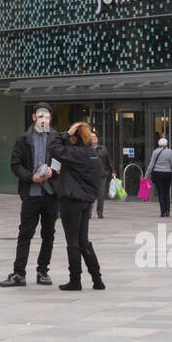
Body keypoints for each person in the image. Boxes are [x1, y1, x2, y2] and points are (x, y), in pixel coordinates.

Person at [0, 104, 60, 287]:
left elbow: (63, 161)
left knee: (48, 234)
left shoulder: (56, 138)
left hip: (50, 193)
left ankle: (43, 271)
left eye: (47, 117)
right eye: (40, 116)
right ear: (34, 117)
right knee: (25, 234)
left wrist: (53, 171)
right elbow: (15, 164)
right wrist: (31, 177)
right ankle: (19, 273)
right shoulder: (23, 139)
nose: (43, 120)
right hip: (31, 194)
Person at [53, 122, 105, 291]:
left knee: (73, 241)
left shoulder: (75, 153)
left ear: (74, 137)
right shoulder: (93, 154)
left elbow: (53, 147)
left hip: (72, 200)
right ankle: (97, 279)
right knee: (84, 240)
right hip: (86, 201)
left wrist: (65, 134)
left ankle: (75, 280)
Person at [146, 137, 172, 217]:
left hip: (158, 174)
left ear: (159, 144)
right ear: (166, 144)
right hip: (167, 174)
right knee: (167, 192)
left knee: (161, 192)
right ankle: (168, 211)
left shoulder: (155, 152)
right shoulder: (170, 152)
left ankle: (162, 211)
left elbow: (151, 165)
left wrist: (146, 175)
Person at [90, 132, 112, 218]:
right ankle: (88, 213)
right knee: (90, 194)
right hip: (91, 175)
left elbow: (108, 161)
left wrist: (112, 171)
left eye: (95, 136)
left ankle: (100, 212)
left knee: (101, 194)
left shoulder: (103, 148)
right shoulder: (87, 149)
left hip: (102, 175)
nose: (95, 138)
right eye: (92, 137)